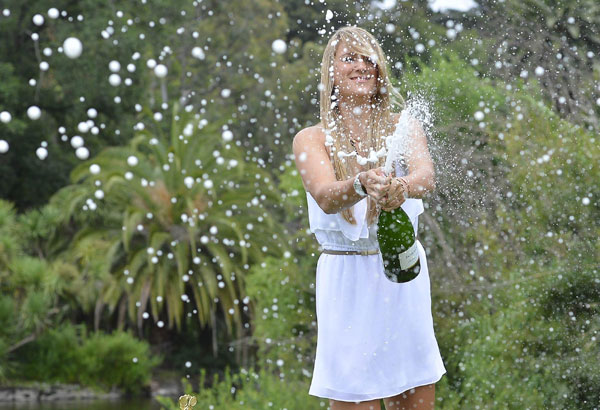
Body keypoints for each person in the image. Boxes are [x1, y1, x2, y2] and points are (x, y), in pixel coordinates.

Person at [292, 26, 446, 409]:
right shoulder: (311, 138)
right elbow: (327, 197)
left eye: (368, 58)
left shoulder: (403, 126)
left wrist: (401, 187)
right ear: (331, 72)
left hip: (400, 272)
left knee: (414, 396)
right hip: (346, 279)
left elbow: (425, 177)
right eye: (349, 58)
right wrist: (361, 183)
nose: (361, 66)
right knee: (354, 398)